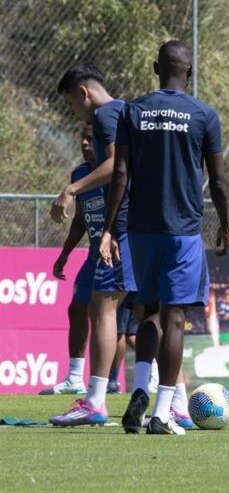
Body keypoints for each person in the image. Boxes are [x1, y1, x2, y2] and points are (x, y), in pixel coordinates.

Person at [101, 40, 229, 435]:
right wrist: (226, 222)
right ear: (188, 72)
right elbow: (220, 180)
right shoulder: (203, 115)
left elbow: (120, 173)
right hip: (183, 231)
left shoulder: (132, 110)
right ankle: (160, 413)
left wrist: (109, 228)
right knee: (176, 318)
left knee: (148, 310)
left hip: (141, 229)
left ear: (156, 67)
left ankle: (139, 387)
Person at [49, 64, 137, 427]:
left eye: (71, 104)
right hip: (149, 225)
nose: (75, 112)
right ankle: (172, 399)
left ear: (83, 93)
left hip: (124, 227)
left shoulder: (104, 115)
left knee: (103, 309)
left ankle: (96, 401)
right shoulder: (130, 110)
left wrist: (72, 190)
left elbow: (118, 165)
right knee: (148, 316)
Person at [41, 124, 96, 395]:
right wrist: (65, 253)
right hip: (97, 253)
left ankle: (154, 379)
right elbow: (81, 219)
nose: (84, 144)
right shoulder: (79, 175)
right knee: (77, 309)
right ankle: (75, 378)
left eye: (90, 139)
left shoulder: (120, 171)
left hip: (126, 252)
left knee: (134, 317)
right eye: (82, 138)